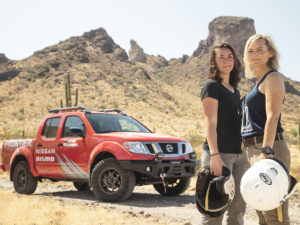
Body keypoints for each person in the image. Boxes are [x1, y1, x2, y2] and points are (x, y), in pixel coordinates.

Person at [241, 34, 291, 225]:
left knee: (274, 215)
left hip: (269, 149)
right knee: (261, 210)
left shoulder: (273, 78)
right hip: (253, 150)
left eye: (260, 50)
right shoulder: (257, 82)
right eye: (251, 51)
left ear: (270, 53)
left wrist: (266, 151)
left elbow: (273, 116)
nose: (254, 54)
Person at [199, 43, 247, 225]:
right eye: (221, 57)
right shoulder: (212, 86)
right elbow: (210, 123)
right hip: (219, 155)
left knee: (237, 209)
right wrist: (215, 155)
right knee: (214, 209)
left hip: (239, 156)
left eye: (230, 56)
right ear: (214, 61)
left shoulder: (235, 90)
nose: (227, 60)